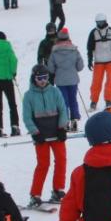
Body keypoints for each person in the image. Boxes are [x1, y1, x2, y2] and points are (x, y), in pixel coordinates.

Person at [22, 64, 69, 207]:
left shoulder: (55, 92)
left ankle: (58, 190)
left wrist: (62, 128)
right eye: (39, 78)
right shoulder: (29, 96)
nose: (42, 81)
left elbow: (62, 110)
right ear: (33, 78)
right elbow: (27, 117)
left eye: (45, 78)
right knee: (43, 164)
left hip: (56, 134)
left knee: (61, 160)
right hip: (41, 135)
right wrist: (35, 133)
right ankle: (35, 194)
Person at [47, 28, 84, 131]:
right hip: (73, 80)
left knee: (63, 102)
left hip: (60, 80)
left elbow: (51, 68)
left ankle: (65, 121)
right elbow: (80, 66)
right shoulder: (74, 50)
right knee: (73, 100)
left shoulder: (54, 51)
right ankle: (75, 120)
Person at [86, 13, 111, 112]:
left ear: (105, 21)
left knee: (110, 82)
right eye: (98, 22)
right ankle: (93, 102)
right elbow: (89, 48)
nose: (100, 24)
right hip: (98, 62)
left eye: (101, 22)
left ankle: (108, 102)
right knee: (96, 82)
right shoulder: (93, 33)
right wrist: (89, 60)